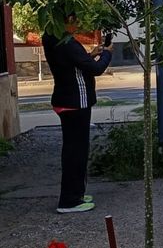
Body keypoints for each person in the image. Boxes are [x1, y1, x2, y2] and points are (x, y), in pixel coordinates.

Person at [42, 14, 112, 213]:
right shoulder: (67, 42)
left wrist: (90, 54)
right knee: (76, 153)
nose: (78, 24)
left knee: (73, 151)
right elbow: (96, 69)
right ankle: (70, 201)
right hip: (75, 102)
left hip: (65, 99)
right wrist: (106, 54)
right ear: (66, 20)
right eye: (75, 20)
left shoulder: (51, 37)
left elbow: (73, 64)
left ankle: (76, 194)